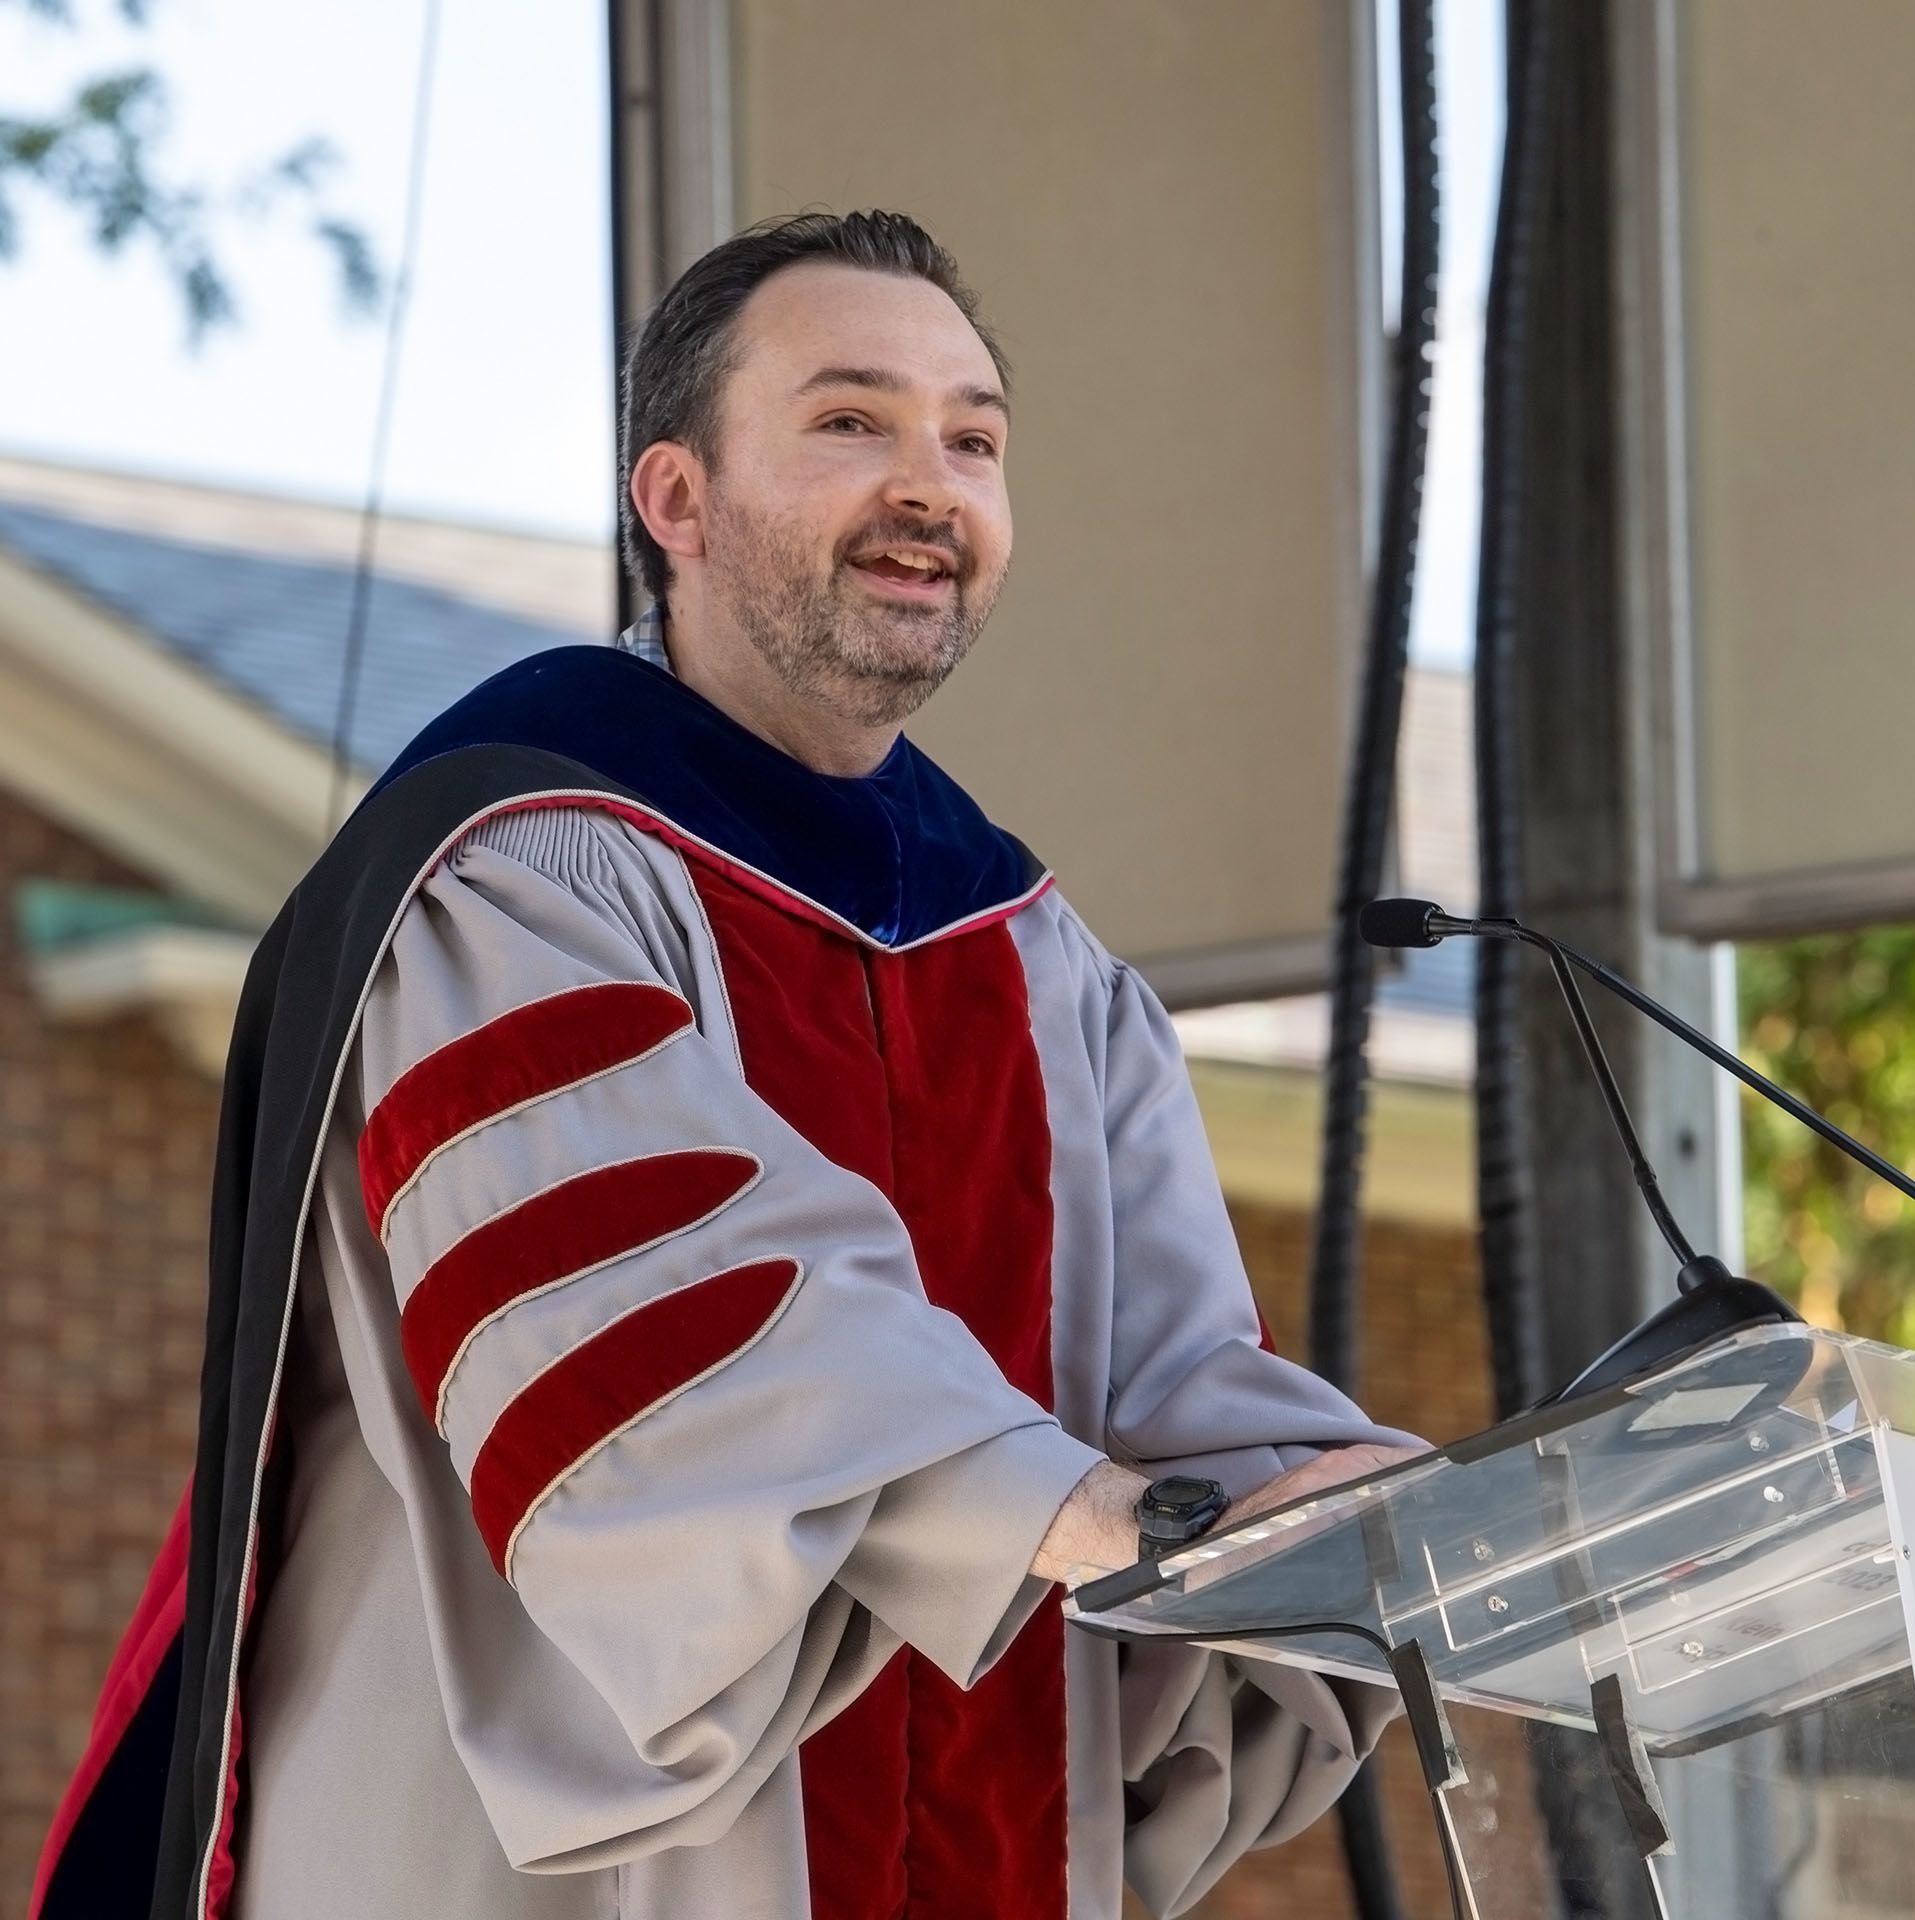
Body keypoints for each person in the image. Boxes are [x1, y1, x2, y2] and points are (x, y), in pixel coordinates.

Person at [32, 210, 1417, 1920]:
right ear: (673, 502)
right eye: (852, 423)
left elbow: (1182, 1384)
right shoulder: (505, 875)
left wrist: (1355, 1519)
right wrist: (1072, 1516)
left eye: (971, 441)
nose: (930, 484)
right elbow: (666, 1319)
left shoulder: (1040, 961)